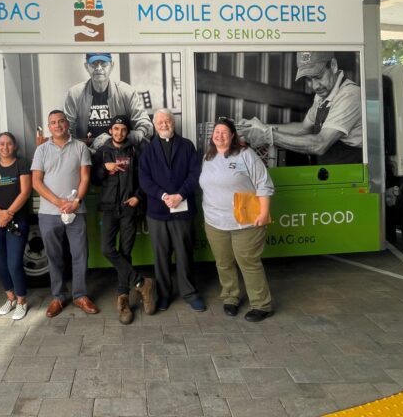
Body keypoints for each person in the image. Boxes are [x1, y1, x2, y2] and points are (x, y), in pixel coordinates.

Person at [199, 118, 275, 322]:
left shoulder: (245, 154)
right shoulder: (208, 157)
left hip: (246, 222)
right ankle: (230, 298)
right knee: (223, 263)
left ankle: (261, 304)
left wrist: (264, 212)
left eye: (224, 132)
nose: (219, 135)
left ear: (232, 135)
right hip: (215, 222)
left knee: (248, 263)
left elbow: (264, 184)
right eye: (216, 132)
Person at [31, 110, 99, 318]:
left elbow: (85, 178)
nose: (57, 125)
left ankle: (80, 295)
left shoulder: (80, 147)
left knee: (80, 255)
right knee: (54, 256)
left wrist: (75, 201)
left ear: (67, 124)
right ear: (49, 127)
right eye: (53, 123)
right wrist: (59, 202)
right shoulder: (41, 150)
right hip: (49, 213)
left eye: (61, 121)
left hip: (76, 211)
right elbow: (36, 182)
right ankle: (58, 296)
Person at [241, 51, 363, 165]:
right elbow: (303, 128)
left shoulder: (350, 95)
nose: (314, 86)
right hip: (329, 173)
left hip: (350, 176)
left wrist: (268, 136)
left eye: (318, 77)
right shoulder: (322, 95)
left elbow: (320, 144)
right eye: (308, 80)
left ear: (333, 65)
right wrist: (261, 127)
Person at [138, 108, 205, 312]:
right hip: (158, 211)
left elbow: (195, 174)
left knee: (184, 253)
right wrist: (163, 195)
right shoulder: (148, 150)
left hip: (182, 208)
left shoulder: (187, 146)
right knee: (161, 255)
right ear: (155, 125)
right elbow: (144, 180)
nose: (164, 125)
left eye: (167, 121)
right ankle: (165, 294)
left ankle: (190, 293)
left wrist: (180, 195)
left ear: (173, 123)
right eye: (160, 122)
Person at [92, 115, 155, 324]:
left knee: (126, 253)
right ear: (110, 130)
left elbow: (145, 177)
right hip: (110, 208)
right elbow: (93, 177)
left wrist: (139, 196)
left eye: (123, 129)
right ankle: (141, 282)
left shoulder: (136, 150)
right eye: (116, 129)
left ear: (128, 132)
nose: (119, 133)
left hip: (129, 208)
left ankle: (124, 301)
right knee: (107, 249)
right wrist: (104, 169)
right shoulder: (102, 152)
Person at [0, 132, 32, 321]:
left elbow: (25, 192)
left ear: (15, 146)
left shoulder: (22, 165)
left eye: (9, 144)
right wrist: (0, 214)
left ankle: (21, 301)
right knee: (1, 262)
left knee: (14, 262)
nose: (5, 147)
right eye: (2, 144)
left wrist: (8, 213)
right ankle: (9, 298)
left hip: (17, 220)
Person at [64, 53, 153, 151]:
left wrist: (140, 132)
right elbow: (66, 128)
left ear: (112, 66)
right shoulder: (74, 94)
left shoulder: (127, 92)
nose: (98, 68)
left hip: (120, 152)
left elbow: (144, 122)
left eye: (103, 64)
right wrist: (81, 150)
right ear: (86, 67)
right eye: (94, 64)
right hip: (85, 152)